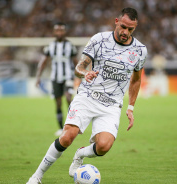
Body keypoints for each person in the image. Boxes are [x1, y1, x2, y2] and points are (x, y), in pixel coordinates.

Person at [27, 7, 147, 184]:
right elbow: (79, 67)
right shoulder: (99, 40)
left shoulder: (139, 50)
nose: (125, 32)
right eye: (123, 27)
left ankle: (80, 154)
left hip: (111, 105)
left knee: (104, 146)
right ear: (116, 21)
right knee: (67, 136)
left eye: (130, 29)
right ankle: (37, 176)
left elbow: (136, 80)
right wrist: (85, 73)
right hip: (88, 96)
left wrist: (131, 107)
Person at [35, 22, 78, 136]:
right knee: (58, 103)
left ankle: (73, 125)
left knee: (69, 98)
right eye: (57, 30)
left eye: (61, 30)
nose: (59, 32)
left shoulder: (70, 46)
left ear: (64, 32)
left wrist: (80, 76)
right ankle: (61, 128)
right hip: (55, 78)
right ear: (54, 32)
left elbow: (76, 62)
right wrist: (38, 77)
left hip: (68, 76)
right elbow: (44, 62)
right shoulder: (50, 46)